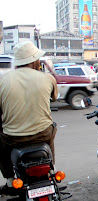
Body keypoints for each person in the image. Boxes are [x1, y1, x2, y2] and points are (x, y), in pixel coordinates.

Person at [0, 41, 58, 193]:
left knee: (2, 147)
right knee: (51, 129)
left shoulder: (2, 80)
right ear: (34, 61)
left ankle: (10, 179)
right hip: (42, 134)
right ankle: (52, 168)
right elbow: (54, 97)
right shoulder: (47, 78)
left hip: (13, 137)